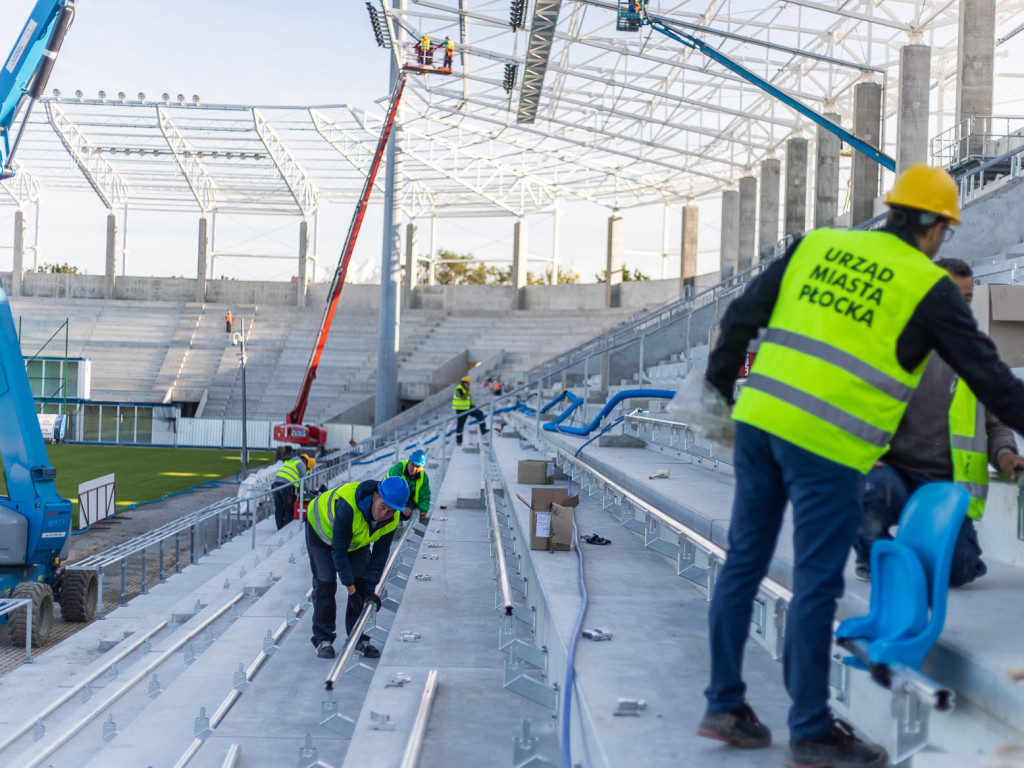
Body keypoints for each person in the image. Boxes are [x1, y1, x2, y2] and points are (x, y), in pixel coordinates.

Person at [697, 163, 1024, 768]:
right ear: (936, 228)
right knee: (817, 584)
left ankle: (723, 705)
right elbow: (995, 384)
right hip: (825, 445)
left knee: (744, 563)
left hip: (761, 423)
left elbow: (741, 319)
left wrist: (719, 395)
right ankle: (811, 730)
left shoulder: (819, 244)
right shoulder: (926, 288)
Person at [853, 258, 1024, 586]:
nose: (960, 306)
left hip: (946, 481)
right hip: (893, 470)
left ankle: (916, 550)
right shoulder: (891, 345)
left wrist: (1005, 454)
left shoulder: (978, 354)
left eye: (968, 299)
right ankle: (873, 557)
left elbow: (996, 423)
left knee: (959, 571)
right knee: (869, 492)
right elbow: (852, 404)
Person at [306, 476, 410, 659]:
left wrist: (370, 589)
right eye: (382, 507)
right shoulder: (348, 506)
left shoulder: (391, 520)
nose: (384, 514)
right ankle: (323, 638)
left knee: (362, 582)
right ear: (375, 495)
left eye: (391, 511)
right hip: (321, 532)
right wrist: (351, 591)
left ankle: (358, 637)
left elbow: (380, 554)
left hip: (355, 541)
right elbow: (338, 552)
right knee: (326, 584)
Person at [386, 449, 431, 523]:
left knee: (406, 514)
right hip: (388, 495)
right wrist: (403, 507)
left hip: (408, 498)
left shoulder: (423, 477)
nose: (414, 468)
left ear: (422, 467)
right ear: (409, 461)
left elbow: (424, 495)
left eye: (418, 466)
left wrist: (423, 510)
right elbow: (392, 491)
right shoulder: (398, 469)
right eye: (412, 464)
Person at [273, 453, 314, 530]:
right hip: (286, 485)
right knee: (288, 507)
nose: (306, 469)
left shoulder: (290, 461)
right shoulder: (301, 464)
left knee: (278, 507)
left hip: (276, 484)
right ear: (305, 461)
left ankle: (279, 527)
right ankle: (285, 528)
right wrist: (308, 493)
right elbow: (304, 480)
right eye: (307, 468)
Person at [452, 375, 488, 446]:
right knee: (460, 426)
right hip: (461, 410)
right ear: (462, 383)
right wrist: (467, 391)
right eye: (465, 384)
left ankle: (483, 430)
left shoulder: (465, 390)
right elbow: (463, 397)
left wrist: (473, 406)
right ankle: (459, 441)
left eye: (468, 384)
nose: (467, 385)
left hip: (468, 408)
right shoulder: (458, 389)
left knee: (480, 414)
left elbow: (469, 400)